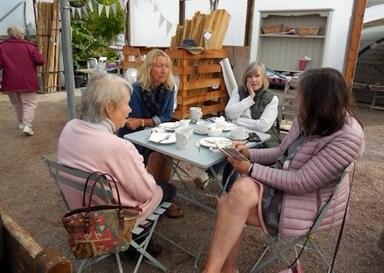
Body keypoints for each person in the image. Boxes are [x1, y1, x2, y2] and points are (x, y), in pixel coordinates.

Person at [202, 67, 365, 273]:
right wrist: (249, 154)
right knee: (233, 198)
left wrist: (251, 169)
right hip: (285, 185)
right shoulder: (308, 118)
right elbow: (281, 152)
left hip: (307, 203)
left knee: (232, 200)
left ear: (319, 99)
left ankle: (216, 270)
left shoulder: (346, 137)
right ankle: (222, 270)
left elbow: (301, 181)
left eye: (302, 93)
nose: (297, 97)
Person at [58, 73, 177, 257]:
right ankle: (137, 241)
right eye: (126, 103)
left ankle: (136, 241)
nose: (129, 110)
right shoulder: (116, 146)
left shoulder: (70, 128)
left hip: (80, 209)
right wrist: (145, 174)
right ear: (109, 108)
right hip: (111, 219)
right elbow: (146, 192)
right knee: (168, 189)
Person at [118, 48, 183, 218]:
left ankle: (162, 197)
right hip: (133, 137)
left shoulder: (169, 88)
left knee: (168, 153)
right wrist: (150, 121)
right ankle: (149, 198)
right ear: (149, 68)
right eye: (159, 66)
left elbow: (167, 115)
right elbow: (133, 122)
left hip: (155, 133)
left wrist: (145, 121)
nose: (163, 70)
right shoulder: (136, 89)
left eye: (167, 66)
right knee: (157, 154)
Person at [195, 61, 280, 191]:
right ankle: (226, 190)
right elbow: (229, 112)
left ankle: (209, 176)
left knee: (236, 150)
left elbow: (262, 126)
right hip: (236, 134)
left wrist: (237, 121)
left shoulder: (272, 99)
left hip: (260, 139)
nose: (253, 80)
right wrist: (250, 98)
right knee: (228, 147)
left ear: (263, 77)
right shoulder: (239, 91)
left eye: (257, 76)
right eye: (249, 76)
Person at [0, 25, 45, 136]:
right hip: (27, 80)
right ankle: (27, 125)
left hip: (10, 81)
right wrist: (41, 53)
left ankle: (21, 123)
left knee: (17, 104)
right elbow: (40, 61)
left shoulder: (2, 47)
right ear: (21, 34)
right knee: (29, 103)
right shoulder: (30, 47)